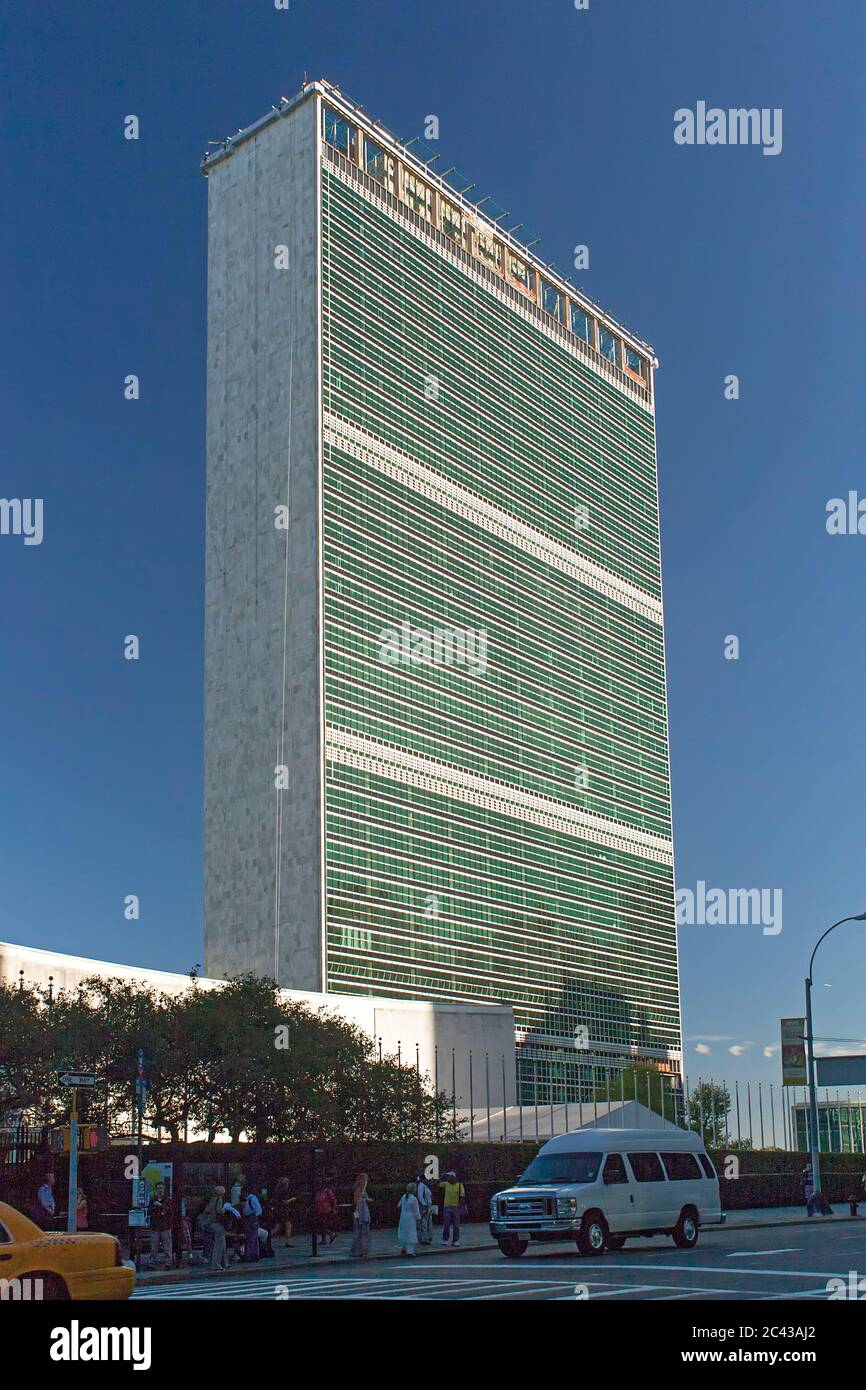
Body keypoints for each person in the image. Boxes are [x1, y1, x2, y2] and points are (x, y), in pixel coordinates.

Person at [148, 1182, 174, 1265]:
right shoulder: (152, 1200)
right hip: (155, 1226)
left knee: (167, 1246)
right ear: (156, 1189)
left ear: (164, 1189)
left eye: (161, 1188)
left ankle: (168, 1262)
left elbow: (170, 1211)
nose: (160, 1190)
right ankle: (152, 1261)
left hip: (165, 1226)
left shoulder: (168, 1200)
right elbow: (149, 1211)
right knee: (154, 1246)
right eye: (158, 1188)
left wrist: (160, 1206)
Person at [439, 1171, 466, 1248]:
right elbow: (437, 1184)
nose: (447, 1178)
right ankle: (445, 1239)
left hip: (456, 1207)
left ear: (453, 1177)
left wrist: (461, 1207)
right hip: (447, 1206)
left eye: (449, 1176)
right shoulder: (446, 1184)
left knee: (456, 1225)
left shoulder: (460, 1185)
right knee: (446, 1224)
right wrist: (442, 1177)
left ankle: (455, 1240)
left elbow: (462, 1197)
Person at [269, 1177, 297, 1249]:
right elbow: (284, 1202)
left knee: (276, 1228)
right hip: (283, 1210)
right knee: (288, 1225)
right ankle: (287, 1242)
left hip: (277, 1210)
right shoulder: (284, 1191)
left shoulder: (276, 1191)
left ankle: (267, 1237)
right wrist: (292, 1199)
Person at [204, 1185, 228, 1269]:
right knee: (220, 1243)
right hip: (217, 1223)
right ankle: (216, 1263)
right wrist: (225, 1209)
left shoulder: (212, 1199)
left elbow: (208, 1210)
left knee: (221, 1242)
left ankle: (224, 1263)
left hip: (211, 1222)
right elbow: (219, 1211)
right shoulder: (219, 1200)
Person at [397, 1182, 421, 1256]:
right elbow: (416, 1211)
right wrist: (418, 1219)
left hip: (403, 1216)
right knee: (411, 1233)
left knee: (404, 1232)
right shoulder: (414, 1199)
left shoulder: (404, 1197)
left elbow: (398, 1206)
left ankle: (404, 1248)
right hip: (411, 1217)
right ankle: (410, 1251)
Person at [351, 1173, 372, 1258]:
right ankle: (358, 1250)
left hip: (364, 1211)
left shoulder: (364, 1190)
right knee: (358, 1231)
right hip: (360, 1211)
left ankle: (363, 1250)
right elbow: (355, 1202)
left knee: (364, 1231)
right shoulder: (358, 1190)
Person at [241, 1184, 263, 1262]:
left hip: (251, 1218)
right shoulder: (251, 1198)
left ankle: (251, 1254)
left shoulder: (251, 1199)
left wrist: (255, 1219)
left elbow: (258, 1210)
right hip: (251, 1218)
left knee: (251, 1237)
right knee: (252, 1237)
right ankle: (253, 1254)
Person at [315, 1178, 338, 1245]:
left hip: (326, 1210)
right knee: (321, 1224)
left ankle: (324, 1239)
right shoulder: (318, 1192)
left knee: (323, 1224)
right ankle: (331, 1234)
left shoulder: (327, 1191)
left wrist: (334, 1209)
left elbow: (334, 1200)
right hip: (319, 1210)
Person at [415, 1174, 433, 1245]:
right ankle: (424, 1238)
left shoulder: (425, 1186)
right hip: (424, 1207)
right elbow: (420, 1196)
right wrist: (424, 1205)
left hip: (428, 1206)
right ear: (423, 1179)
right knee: (424, 1222)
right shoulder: (421, 1186)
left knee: (428, 1222)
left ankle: (427, 1237)